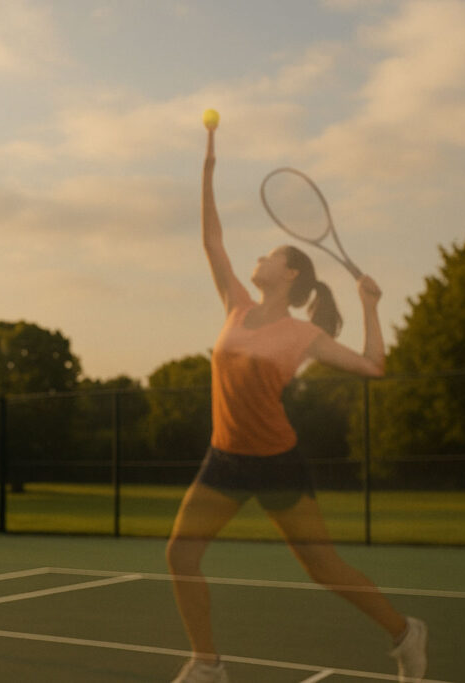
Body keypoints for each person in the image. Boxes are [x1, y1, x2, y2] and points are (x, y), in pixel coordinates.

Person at [164, 121, 428, 683]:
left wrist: (370, 306)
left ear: (287, 273)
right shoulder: (236, 305)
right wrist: (208, 167)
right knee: (181, 556)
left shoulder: (304, 335)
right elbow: (211, 241)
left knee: (324, 568)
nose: (257, 258)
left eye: (269, 255)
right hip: (224, 458)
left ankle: (406, 633)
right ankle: (207, 664)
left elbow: (373, 366)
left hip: (277, 462)